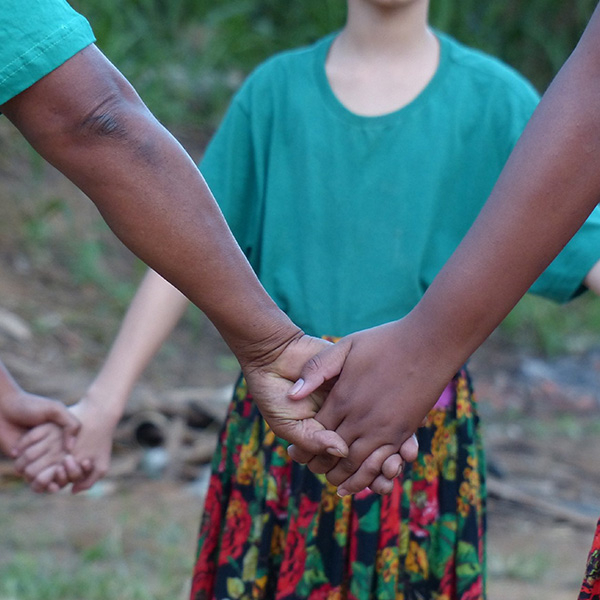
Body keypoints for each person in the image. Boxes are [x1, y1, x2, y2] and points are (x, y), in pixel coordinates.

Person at [15, 0, 600, 597]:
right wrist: (104, 403)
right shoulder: (275, 93)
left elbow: (583, 242)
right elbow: (177, 256)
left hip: (419, 435)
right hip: (282, 419)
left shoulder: (497, 100)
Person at [0, 0, 359, 463]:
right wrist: (271, 345)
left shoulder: (484, 93)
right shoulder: (277, 89)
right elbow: (93, 122)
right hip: (301, 400)